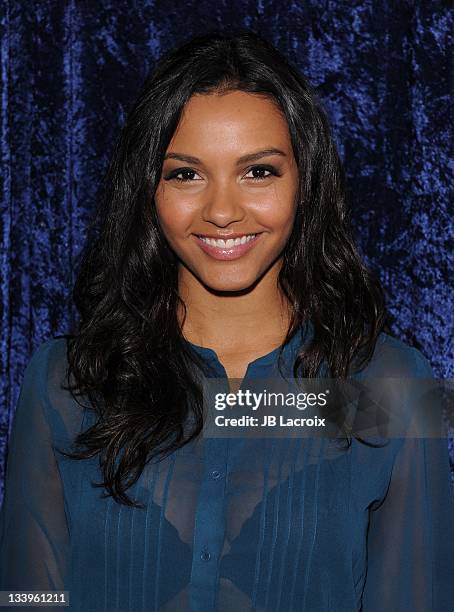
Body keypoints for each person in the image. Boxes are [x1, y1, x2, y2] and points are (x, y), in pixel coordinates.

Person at [0, 31, 453, 612]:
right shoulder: (66, 381)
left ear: (305, 183)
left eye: (258, 171)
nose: (221, 210)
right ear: (147, 190)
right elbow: (27, 597)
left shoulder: (390, 384)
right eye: (186, 174)